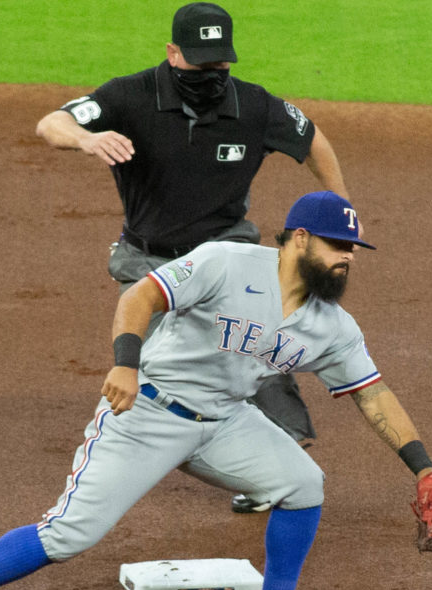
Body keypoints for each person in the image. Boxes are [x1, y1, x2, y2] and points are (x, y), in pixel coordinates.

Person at [0, 191, 432, 590]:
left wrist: (424, 467)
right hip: (146, 412)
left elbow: (373, 394)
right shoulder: (226, 262)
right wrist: (125, 362)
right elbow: (141, 294)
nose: (348, 258)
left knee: (303, 484)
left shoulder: (332, 325)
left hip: (226, 420)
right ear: (298, 238)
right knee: (69, 534)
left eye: (353, 249)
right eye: (338, 245)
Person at [36, 3, 353, 512]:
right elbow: (52, 123)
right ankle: (121, 465)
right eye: (200, 62)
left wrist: (339, 206)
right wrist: (86, 139)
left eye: (219, 63)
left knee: (251, 345)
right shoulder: (129, 95)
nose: (211, 72)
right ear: (172, 52)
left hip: (228, 256)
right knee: (147, 364)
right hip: (150, 260)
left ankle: (281, 452)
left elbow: (312, 139)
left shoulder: (254, 106)